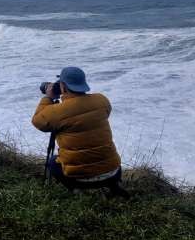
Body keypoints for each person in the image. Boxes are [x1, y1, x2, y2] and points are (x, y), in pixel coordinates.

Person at [32, 66, 129, 198]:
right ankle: (113, 187)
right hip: (114, 172)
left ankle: (77, 191)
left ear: (64, 87)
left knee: (53, 162)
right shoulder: (102, 100)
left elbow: (38, 121)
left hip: (80, 179)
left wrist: (48, 98)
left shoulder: (57, 112)